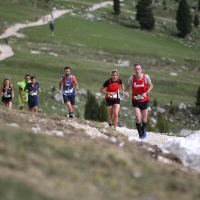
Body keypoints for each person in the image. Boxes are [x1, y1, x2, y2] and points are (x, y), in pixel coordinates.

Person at [125, 63, 153, 139]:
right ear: (134, 70)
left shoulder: (146, 77)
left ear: (141, 70)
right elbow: (128, 86)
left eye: (138, 69)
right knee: (138, 117)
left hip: (144, 100)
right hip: (135, 100)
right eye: (136, 69)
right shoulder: (131, 78)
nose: (137, 71)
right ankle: (141, 136)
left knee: (144, 120)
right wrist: (127, 93)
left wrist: (146, 92)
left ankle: (143, 129)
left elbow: (151, 85)